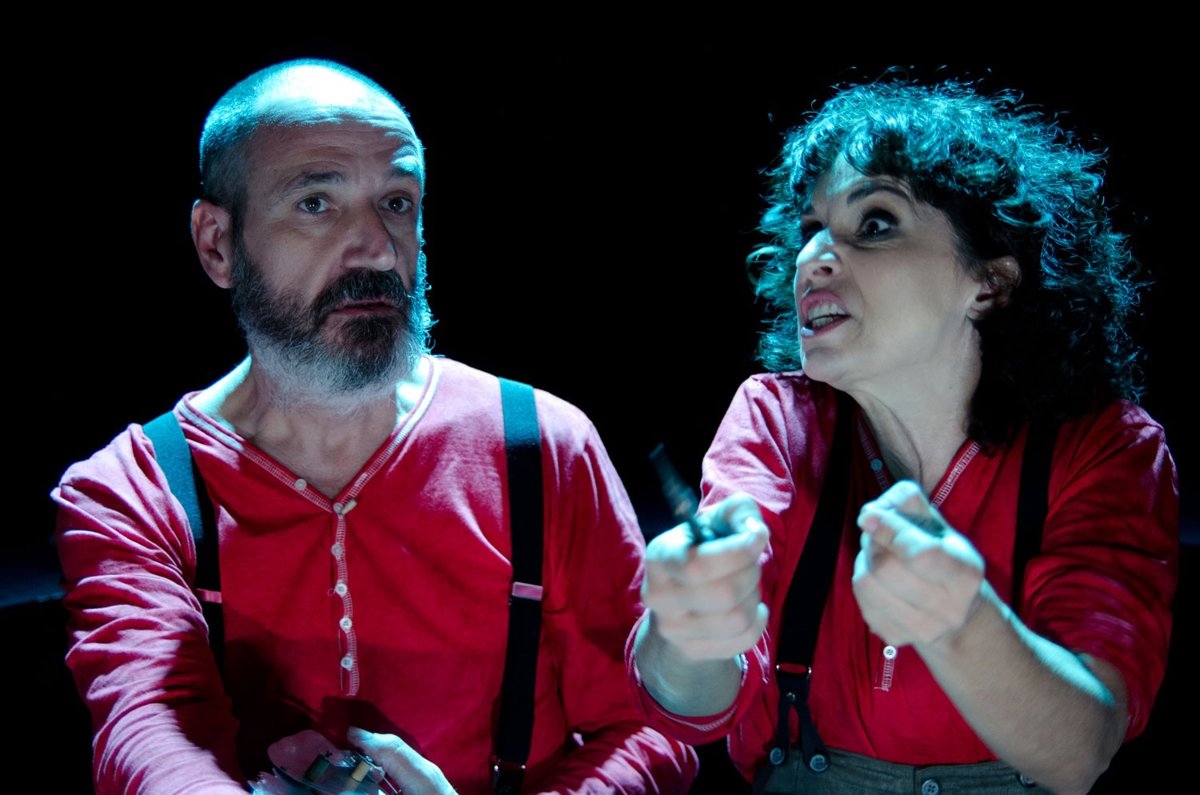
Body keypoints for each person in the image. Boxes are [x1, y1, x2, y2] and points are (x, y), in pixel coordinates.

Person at [53, 58, 696, 795]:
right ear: (217, 244)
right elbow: (147, 729)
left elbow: (647, 725)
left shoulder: (544, 446)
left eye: (396, 202)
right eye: (316, 203)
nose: (380, 249)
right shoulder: (131, 492)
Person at [628, 80, 1178, 794]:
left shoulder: (1106, 447)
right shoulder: (776, 419)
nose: (812, 258)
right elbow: (694, 707)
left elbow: (1079, 754)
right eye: (811, 228)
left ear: (989, 283)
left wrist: (961, 623)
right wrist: (682, 633)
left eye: (876, 223)